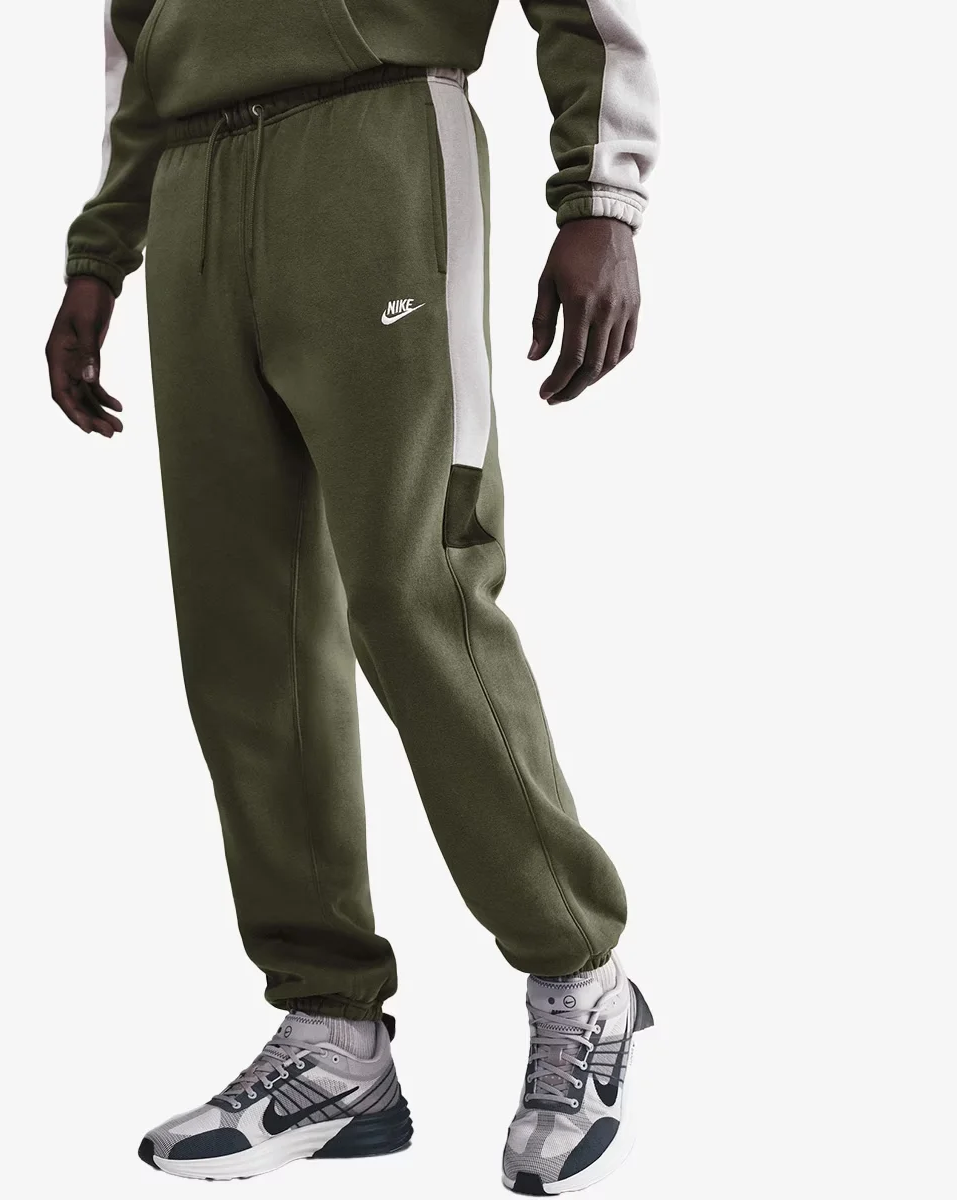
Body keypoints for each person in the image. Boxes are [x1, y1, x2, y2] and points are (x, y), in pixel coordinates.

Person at [45, 2, 658, 1192]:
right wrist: (99, 254)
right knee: (243, 636)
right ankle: (333, 1033)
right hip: (192, 183)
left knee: (417, 591)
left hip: (376, 142)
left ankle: (581, 974)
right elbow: (136, 38)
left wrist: (601, 197)